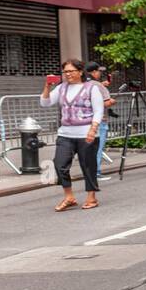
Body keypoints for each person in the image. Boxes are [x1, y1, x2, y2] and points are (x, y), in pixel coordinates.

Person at [40, 60, 104, 211]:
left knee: (88, 166)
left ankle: (91, 197)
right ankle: (69, 197)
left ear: (80, 72)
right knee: (59, 164)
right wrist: (47, 87)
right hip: (65, 133)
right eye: (65, 72)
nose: (68, 74)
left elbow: (99, 110)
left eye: (71, 71)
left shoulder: (91, 88)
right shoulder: (61, 88)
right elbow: (45, 103)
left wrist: (93, 130)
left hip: (86, 133)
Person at [84, 61, 114, 183]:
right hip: (99, 121)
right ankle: (96, 173)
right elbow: (105, 102)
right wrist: (111, 101)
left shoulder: (84, 84)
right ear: (94, 72)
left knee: (90, 149)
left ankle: (90, 172)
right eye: (99, 71)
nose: (100, 73)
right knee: (98, 148)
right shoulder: (98, 86)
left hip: (86, 121)